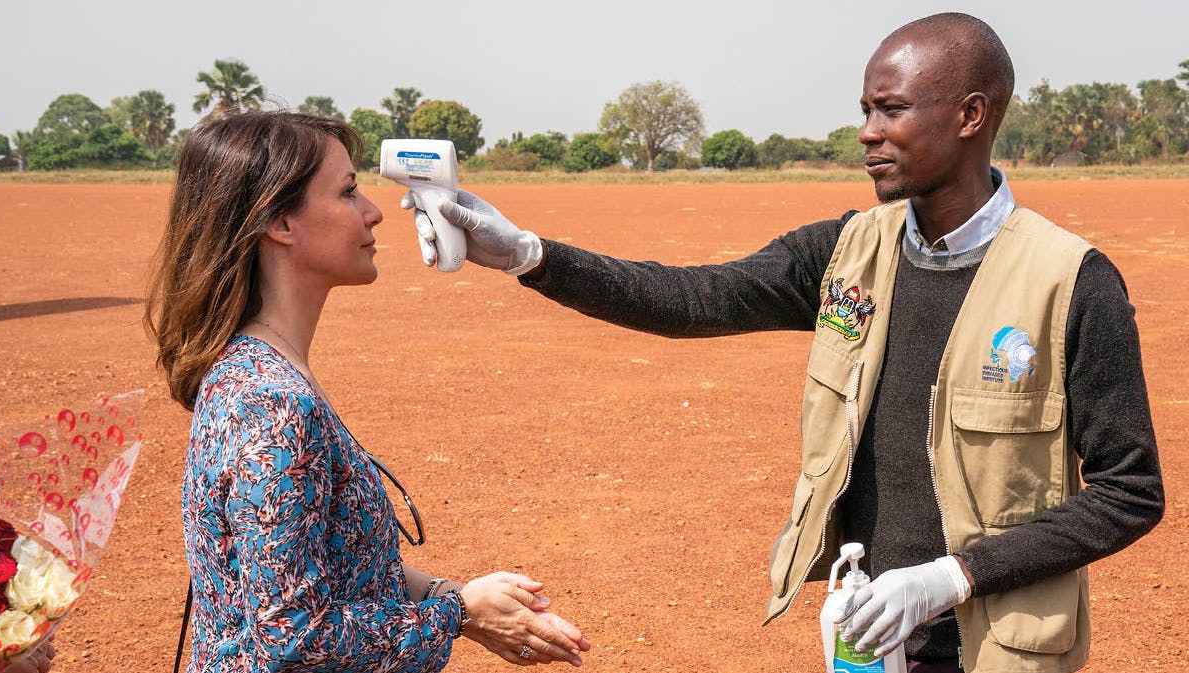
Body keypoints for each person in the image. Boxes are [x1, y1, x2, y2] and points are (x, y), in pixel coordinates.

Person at [402, 13, 1163, 673]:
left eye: (891, 109)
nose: (867, 132)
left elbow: (1131, 491)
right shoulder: (846, 254)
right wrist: (527, 254)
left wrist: (953, 576)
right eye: (865, 109)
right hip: (868, 636)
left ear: (970, 114)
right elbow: (691, 298)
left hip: (995, 647)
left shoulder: (1070, 280)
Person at [144, 111, 591, 673]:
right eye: (349, 192)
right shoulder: (273, 404)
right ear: (279, 221)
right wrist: (458, 613)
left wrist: (457, 596)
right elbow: (293, 638)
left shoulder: (255, 371)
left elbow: (336, 562)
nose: (375, 211)